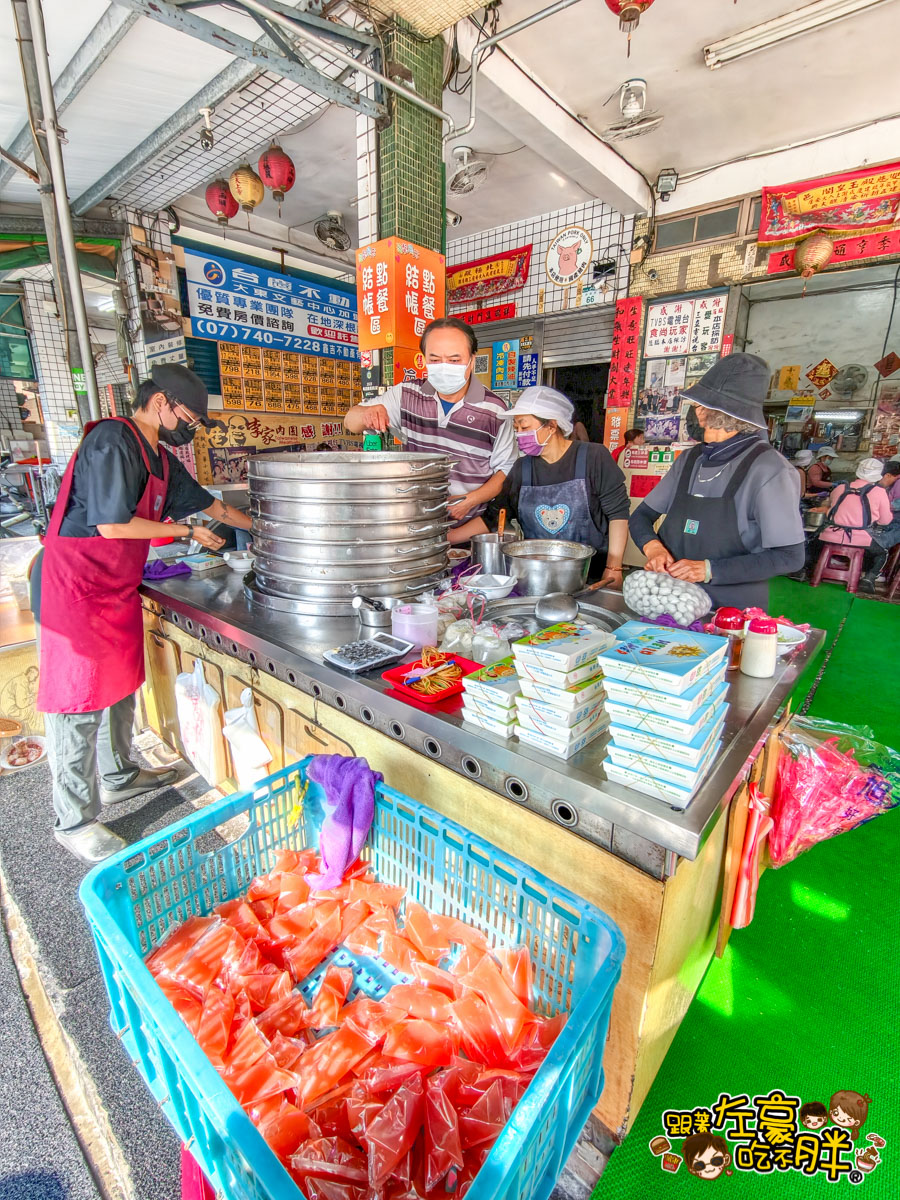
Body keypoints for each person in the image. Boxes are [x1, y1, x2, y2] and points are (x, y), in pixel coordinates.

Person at [33, 365, 253, 864]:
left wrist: (269, 529)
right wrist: (185, 533)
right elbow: (111, 526)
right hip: (76, 587)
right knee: (77, 702)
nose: (190, 429)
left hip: (114, 587)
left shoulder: (161, 460)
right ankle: (74, 820)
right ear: (161, 402)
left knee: (118, 685)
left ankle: (118, 775)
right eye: (189, 419)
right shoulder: (113, 440)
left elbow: (215, 509)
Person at [629, 354, 805, 609]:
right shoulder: (690, 459)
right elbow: (641, 516)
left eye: (700, 404)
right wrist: (653, 548)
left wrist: (708, 570)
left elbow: (789, 556)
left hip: (728, 611)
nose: (695, 410)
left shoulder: (770, 469)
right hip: (669, 601)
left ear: (720, 412)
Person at [343, 318, 516, 542]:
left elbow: (506, 470)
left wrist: (471, 500)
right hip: (417, 527)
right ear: (424, 359)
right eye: (435, 360)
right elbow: (350, 421)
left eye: (454, 360)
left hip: (470, 532)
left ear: (472, 360)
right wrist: (367, 413)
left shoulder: (494, 409)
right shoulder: (406, 394)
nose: (444, 367)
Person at [494, 387, 629, 587]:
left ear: (551, 425)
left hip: (591, 577)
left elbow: (618, 514)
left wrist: (614, 567)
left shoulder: (594, 456)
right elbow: (497, 514)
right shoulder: (522, 467)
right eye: (516, 429)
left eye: (524, 426)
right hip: (537, 577)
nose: (519, 434)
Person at [811, 458, 892, 594]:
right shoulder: (879, 492)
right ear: (878, 475)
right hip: (860, 540)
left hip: (830, 535)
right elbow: (885, 521)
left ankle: (811, 569)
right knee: (882, 553)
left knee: (813, 544)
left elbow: (831, 508)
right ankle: (868, 579)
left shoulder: (840, 488)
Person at [872, 460, 900, 552]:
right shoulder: (889, 485)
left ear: (888, 475)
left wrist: (881, 506)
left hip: (895, 521)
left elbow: (897, 504)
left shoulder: (898, 482)